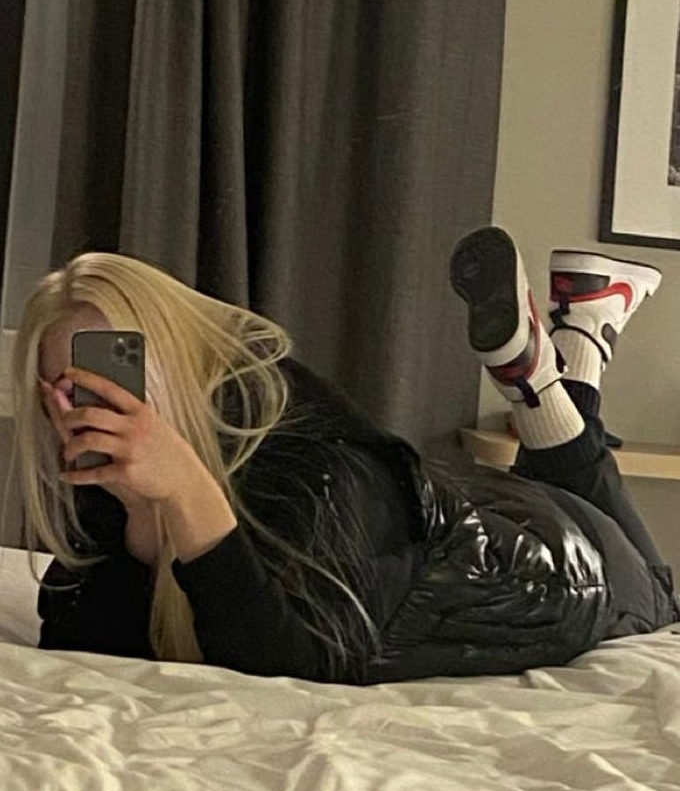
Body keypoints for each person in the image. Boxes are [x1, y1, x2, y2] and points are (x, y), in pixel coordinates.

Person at [9, 231, 678, 685]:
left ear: (182, 357)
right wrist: (140, 519)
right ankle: (565, 359)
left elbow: (292, 665)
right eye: (68, 386)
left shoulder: (309, 461)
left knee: (664, 600)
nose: (93, 402)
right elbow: (82, 645)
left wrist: (189, 497)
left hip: (560, 572)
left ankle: (561, 368)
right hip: (479, 509)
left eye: (115, 367)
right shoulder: (109, 483)